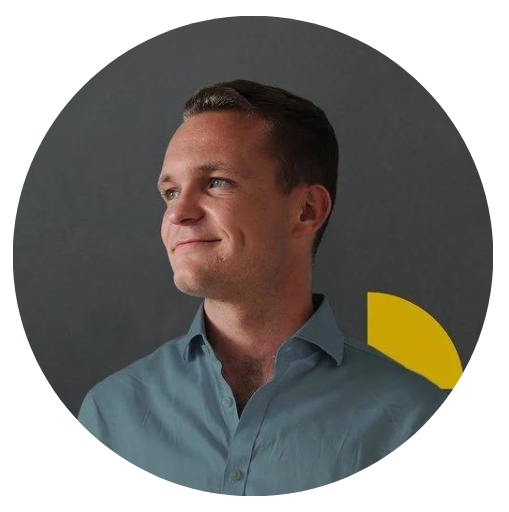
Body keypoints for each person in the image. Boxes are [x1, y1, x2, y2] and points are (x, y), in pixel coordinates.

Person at [77, 79, 448, 495]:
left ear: (306, 210)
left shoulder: (410, 417)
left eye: (217, 182)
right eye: (171, 192)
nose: (178, 214)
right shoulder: (111, 413)